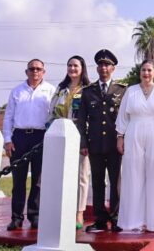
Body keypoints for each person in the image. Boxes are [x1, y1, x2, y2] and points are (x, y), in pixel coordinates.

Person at [116, 59, 154, 232]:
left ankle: (153, 222)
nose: (146, 73)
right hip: (134, 132)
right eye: (143, 70)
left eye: (149, 70)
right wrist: (120, 136)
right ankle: (131, 221)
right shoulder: (130, 91)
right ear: (139, 72)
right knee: (132, 175)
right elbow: (123, 116)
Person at [2, 58, 55, 231]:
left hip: (41, 137)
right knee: (18, 181)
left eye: (38, 69)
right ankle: (16, 218)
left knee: (38, 180)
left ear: (44, 72)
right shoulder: (17, 91)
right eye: (31, 69)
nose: (35, 72)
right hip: (20, 138)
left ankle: (35, 215)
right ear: (26, 72)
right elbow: (8, 116)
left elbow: (54, 116)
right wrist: (8, 140)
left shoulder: (51, 91)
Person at [78, 49, 127, 233]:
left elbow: (126, 118)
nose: (103, 68)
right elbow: (81, 120)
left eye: (107, 65)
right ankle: (100, 219)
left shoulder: (122, 90)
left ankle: (115, 218)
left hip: (115, 144)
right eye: (100, 65)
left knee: (116, 182)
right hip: (95, 143)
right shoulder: (88, 91)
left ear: (113, 68)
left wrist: (124, 140)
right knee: (97, 182)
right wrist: (83, 143)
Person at [48, 55, 92, 230]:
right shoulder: (60, 89)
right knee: (61, 175)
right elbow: (51, 112)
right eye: (69, 65)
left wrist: (86, 140)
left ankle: (78, 212)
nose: (72, 69)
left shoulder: (88, 89)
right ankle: (61, 210)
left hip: (81, 137)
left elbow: (91, 116)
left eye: (75, 66)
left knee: (81, 176)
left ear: (82, 68)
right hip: (60, 136)